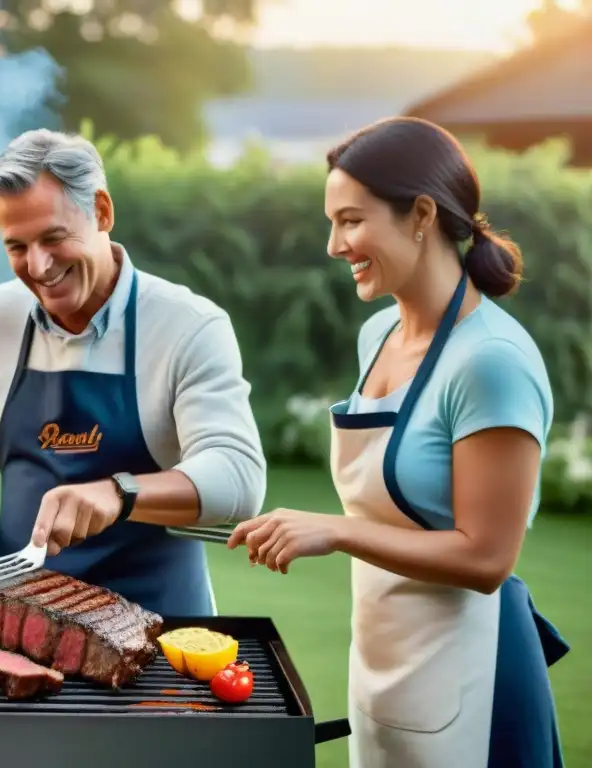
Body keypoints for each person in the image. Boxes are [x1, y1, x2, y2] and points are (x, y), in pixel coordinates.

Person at [228, 117, 569, 767]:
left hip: (474, 682)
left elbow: (487, 557)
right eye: (332, 222)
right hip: (387, 677)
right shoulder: (378, 335)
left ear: (420, 214)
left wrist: (336, 531)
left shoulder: (490, 361)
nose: (333, 244)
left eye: (350, 220)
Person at [0, 129, 267, 616]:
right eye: (16, 246)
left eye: (53, 238)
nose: (38, 266)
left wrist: (118, 493)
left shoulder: (187, 325)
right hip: (21, 628)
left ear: (102, 211)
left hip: (160, 627)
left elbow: (238, 476)